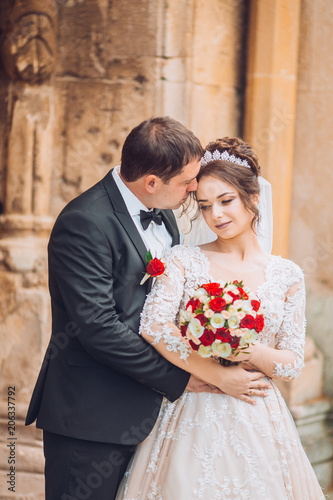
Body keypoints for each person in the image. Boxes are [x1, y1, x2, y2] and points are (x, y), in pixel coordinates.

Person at [25, 119, 270, 500]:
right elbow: (98, 327)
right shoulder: (83, 222)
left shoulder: (165, 213)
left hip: (154, 419)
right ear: (153, 182)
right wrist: (183, 377)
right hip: (91, 415)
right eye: (188, 181)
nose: (195, 188)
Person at [116, 137, 325, 499]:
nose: (216, 216)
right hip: (191, 407)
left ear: (253, 198)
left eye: (226, 201)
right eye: (205, 205)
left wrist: (247, 348)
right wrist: (214, 374)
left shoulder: (288, 275)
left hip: (257, 412)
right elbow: (153, 325)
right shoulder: (183, 259)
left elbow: (292, 362)